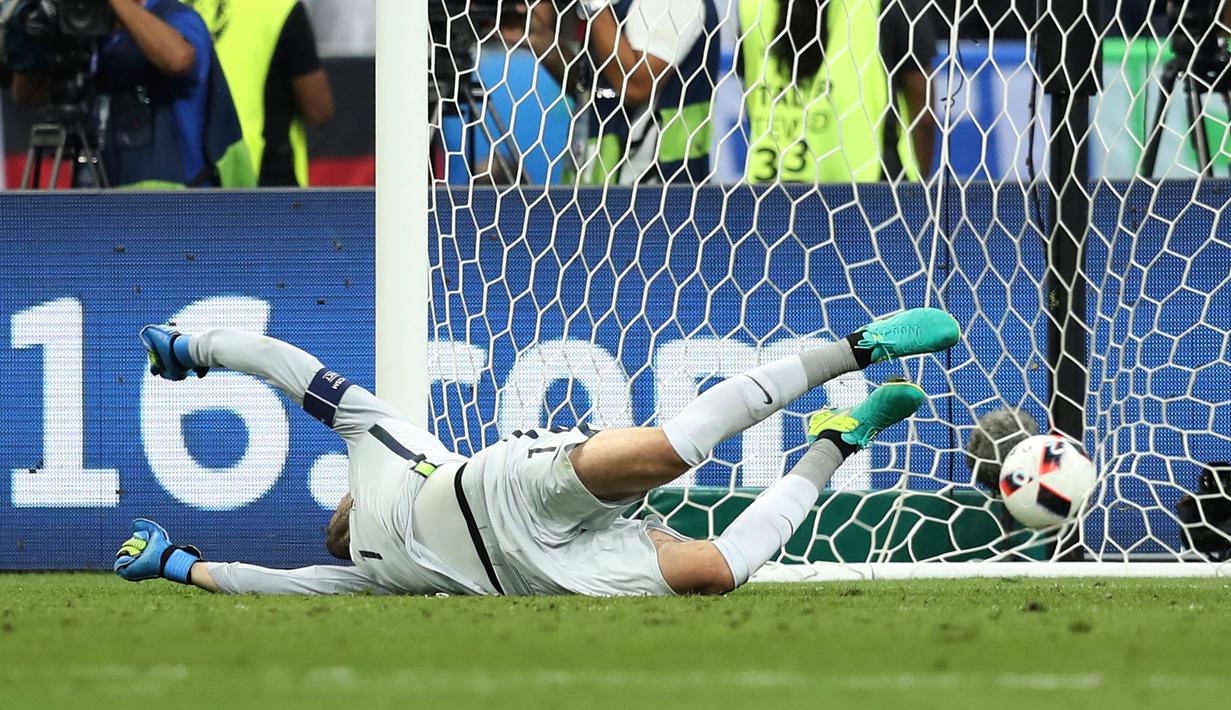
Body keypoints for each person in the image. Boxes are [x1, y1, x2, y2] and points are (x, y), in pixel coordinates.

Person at [113, 308, 959, 596]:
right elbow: (271, 585)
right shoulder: (365, 575)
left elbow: (290, 368)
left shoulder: (383, 443)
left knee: (668, 453)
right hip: (533, 578)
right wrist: (176, 565)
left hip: (501, 494)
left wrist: (198, 346)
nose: (335, 528)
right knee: (714, 574)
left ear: (339, 502)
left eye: (334, 518)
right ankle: (835, 444)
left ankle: (856, 349)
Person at [738, 0, 939, 182]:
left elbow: (750, 91)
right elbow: (923, 114)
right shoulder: (893, 4)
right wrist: (918, 196)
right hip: (872, 196)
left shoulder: (750, 5)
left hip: (768, 192)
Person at [186, 0, 334, 187]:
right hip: (263, 176)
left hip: (187, 172)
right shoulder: (279, 6)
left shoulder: (162, 7)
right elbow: (319, 109)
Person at [574, 0, 720, 184]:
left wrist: (593, 5)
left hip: (656, 194)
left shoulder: (673, 4)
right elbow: (594, 86)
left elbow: (635, 86)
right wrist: (537, 36)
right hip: (605, 186)